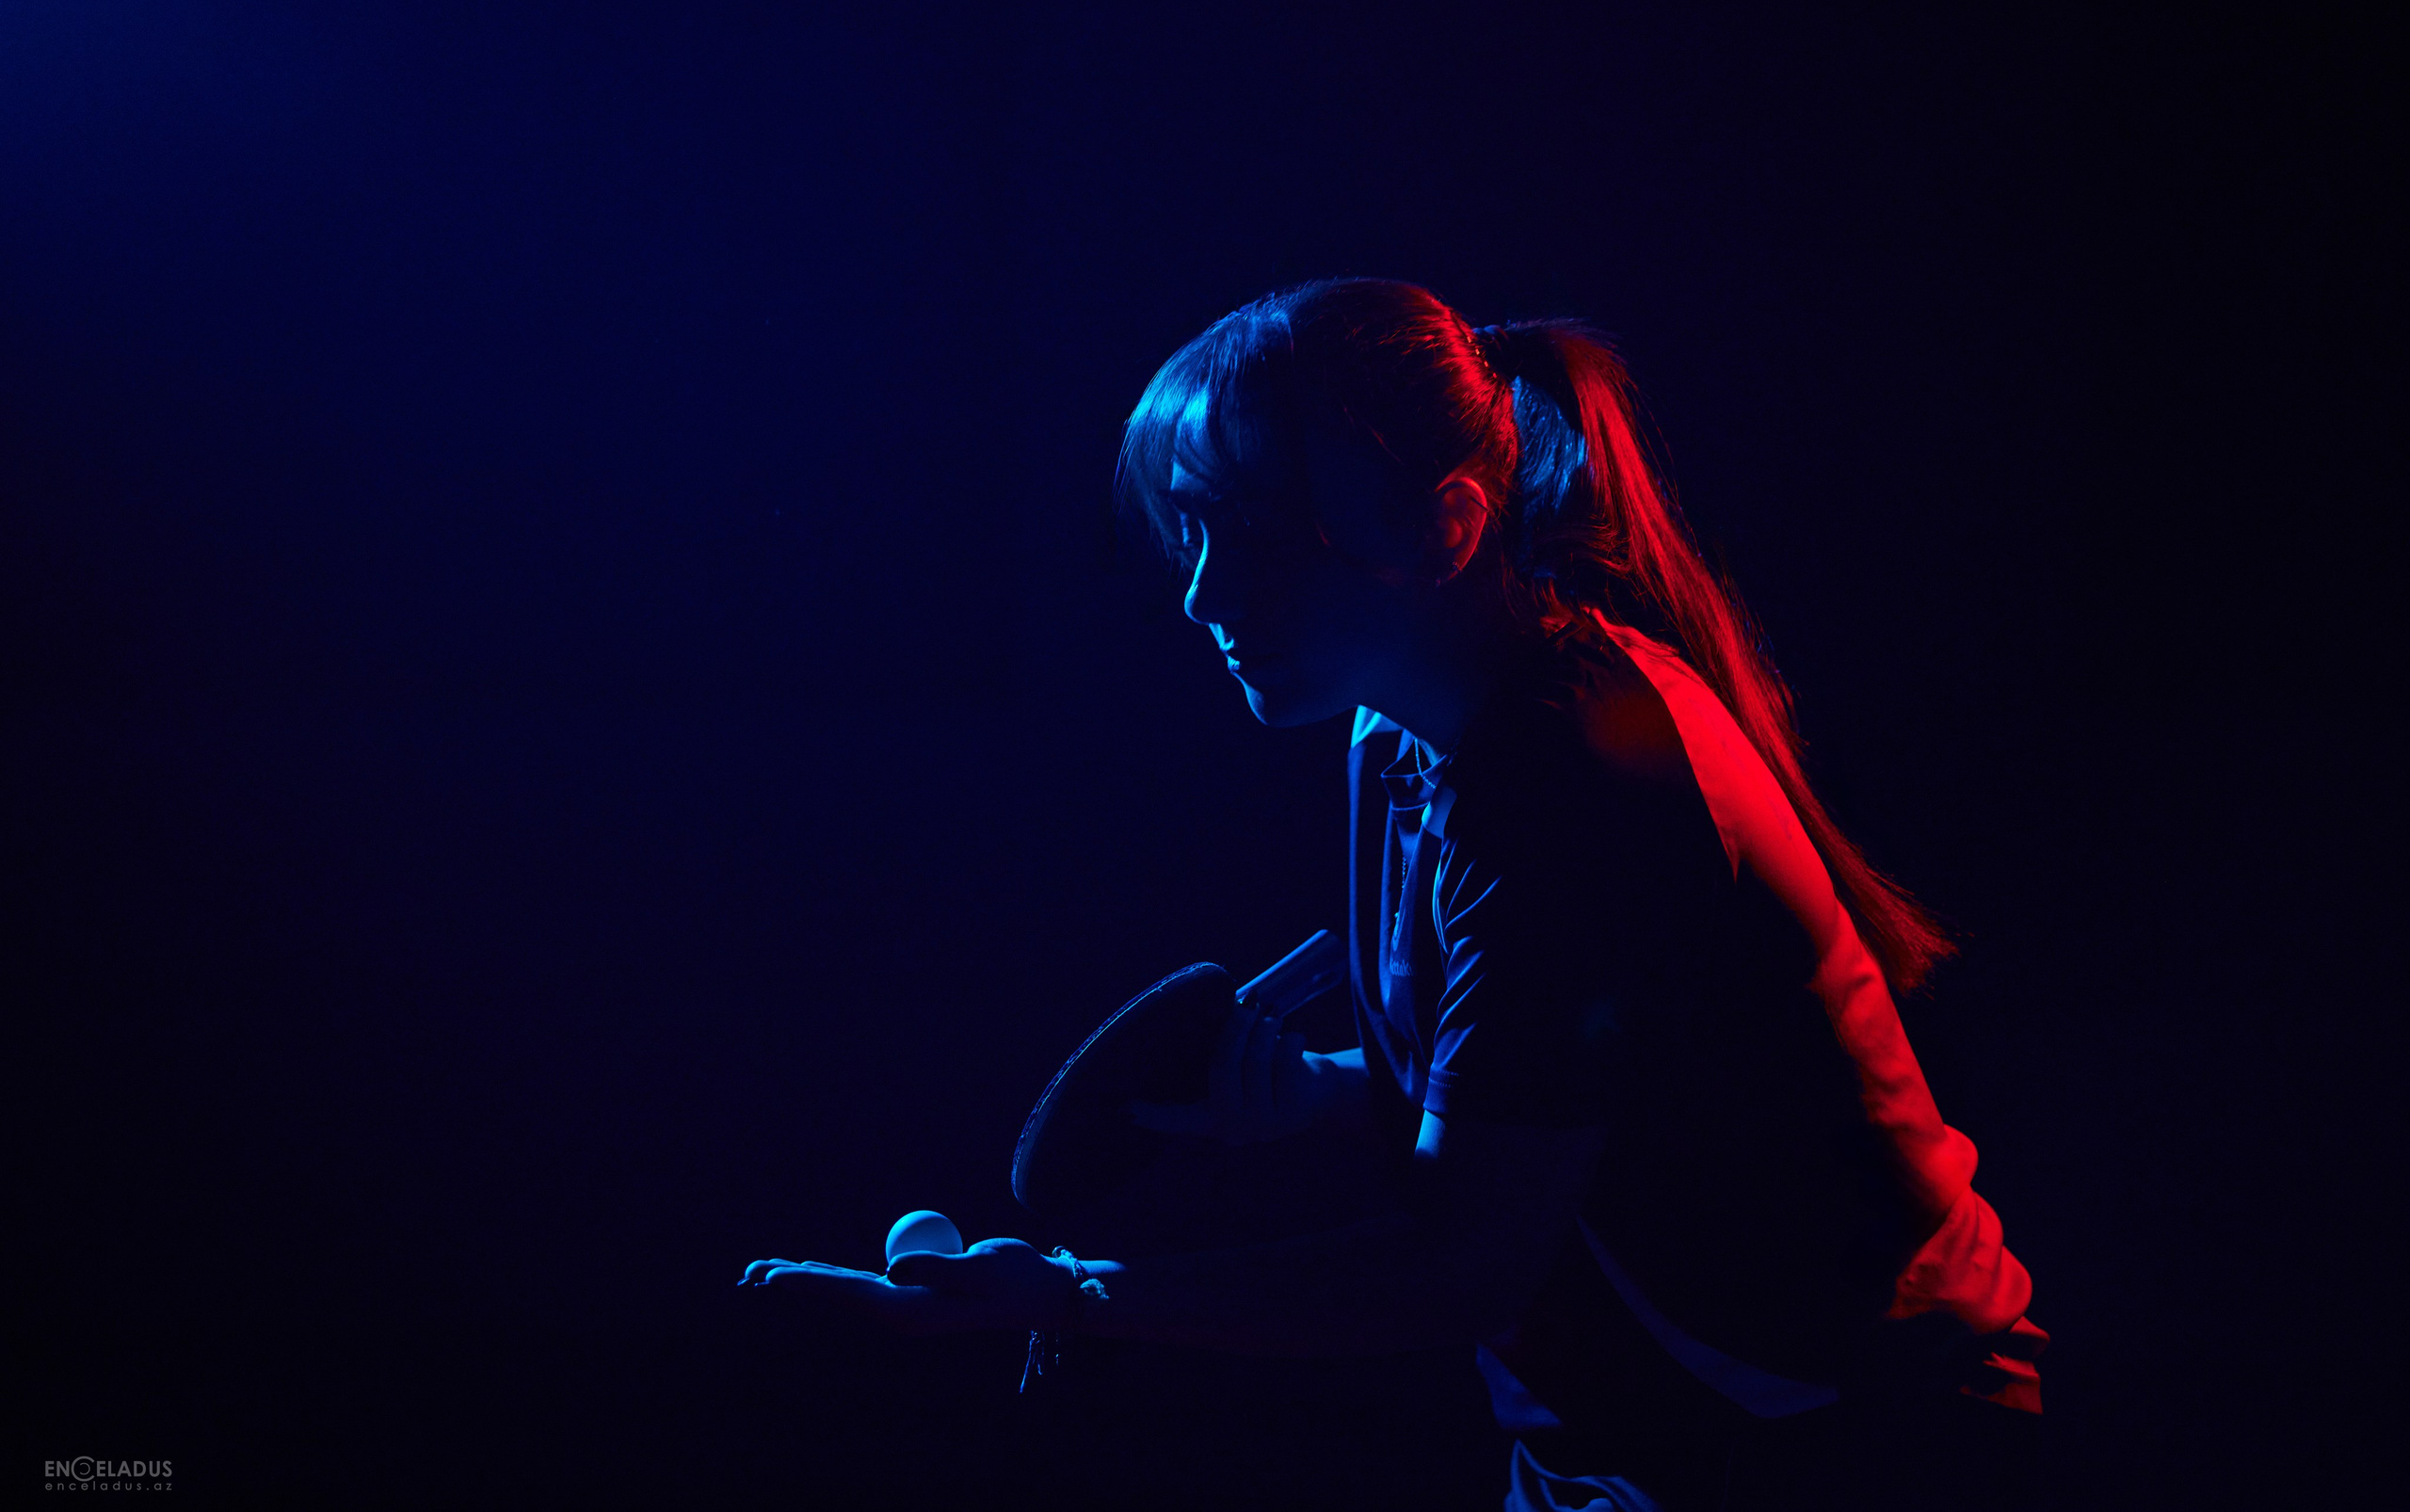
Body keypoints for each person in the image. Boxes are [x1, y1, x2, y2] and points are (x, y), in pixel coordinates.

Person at [741, 280, 2045, 1510]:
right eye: (1190, 530)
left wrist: (1072, 1296)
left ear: (1447, 526)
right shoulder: (1395, 731)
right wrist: (1316, 1089)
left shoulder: (1571, 785)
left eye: (1255, 535)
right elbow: (1567, 1090)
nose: (1201, 593)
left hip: (1844, 1444)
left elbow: (1461, 1261)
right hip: (1631, 1443)